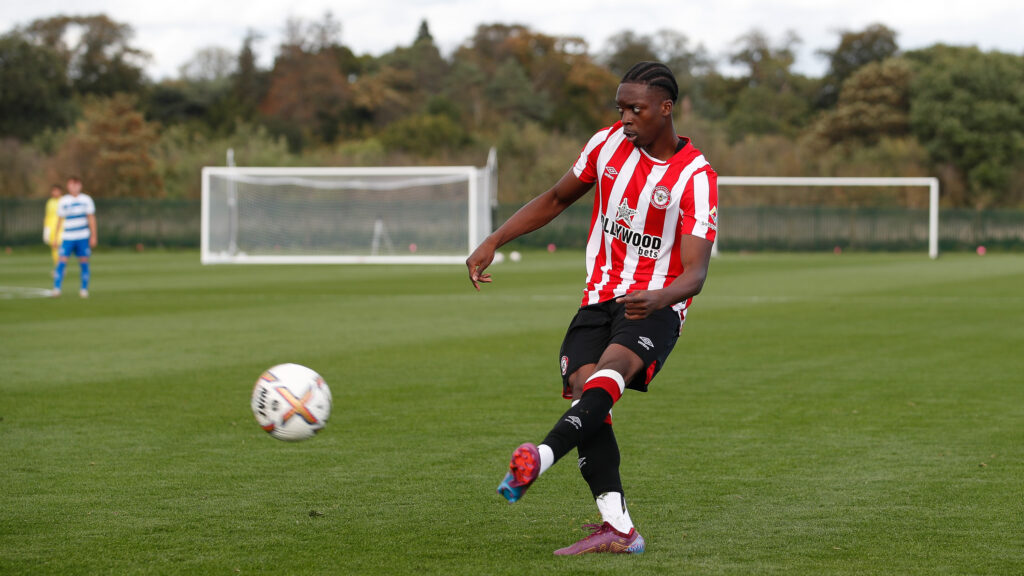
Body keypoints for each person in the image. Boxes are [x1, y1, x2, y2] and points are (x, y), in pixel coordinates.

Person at [466, 61, 719, 556]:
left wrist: (663, 297)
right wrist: (495, 238)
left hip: (655, 304)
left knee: (610, 375)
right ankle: (619, 530)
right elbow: (558, 197)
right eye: (621, 108)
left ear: (666, 109)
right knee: (589, 397)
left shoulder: (696, 177)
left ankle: (539, 457)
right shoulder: (605, 145)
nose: (626, 118)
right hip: (598, 296)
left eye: (637, 109)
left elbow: (696, 273)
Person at [51, 176, 97, 298]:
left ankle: (84, 289)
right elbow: (59, 221)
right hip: (68, 236)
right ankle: (56, 288)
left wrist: (93, 236)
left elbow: (91, 219)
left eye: (76, 184)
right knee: (61, 261)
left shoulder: (86, 200)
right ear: (68, 186)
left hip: (82, 236)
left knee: (84, 262)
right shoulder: (64, 201)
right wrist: (55, 238)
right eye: (71, 184)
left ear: (80, 185)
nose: (74, 187)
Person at [43, 184, 64, 272]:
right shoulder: (49, 202)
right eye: (53, 191)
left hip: (62, 229)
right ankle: (59, 268)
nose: (55, 192)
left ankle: (61, 268)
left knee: (61, 249)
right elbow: (47, 216)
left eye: (57, 190)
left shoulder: (64, 201)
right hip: (51, 229)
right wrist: (46, 230)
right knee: (54, 250)